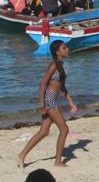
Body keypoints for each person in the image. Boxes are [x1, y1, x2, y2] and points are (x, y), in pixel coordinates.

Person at [17, 40, 77, 168]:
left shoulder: (61, 64)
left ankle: (21, 155)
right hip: (49, 100)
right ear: (57, 52)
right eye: (64, 48)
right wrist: (42, 105)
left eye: (66, 48)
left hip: (53, 99)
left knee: (43, 132)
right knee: (64, 129)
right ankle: (58, 162)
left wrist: (70, 102)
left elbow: (62, 86)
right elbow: (42, 83)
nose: (67, 50)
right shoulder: (54, 64)